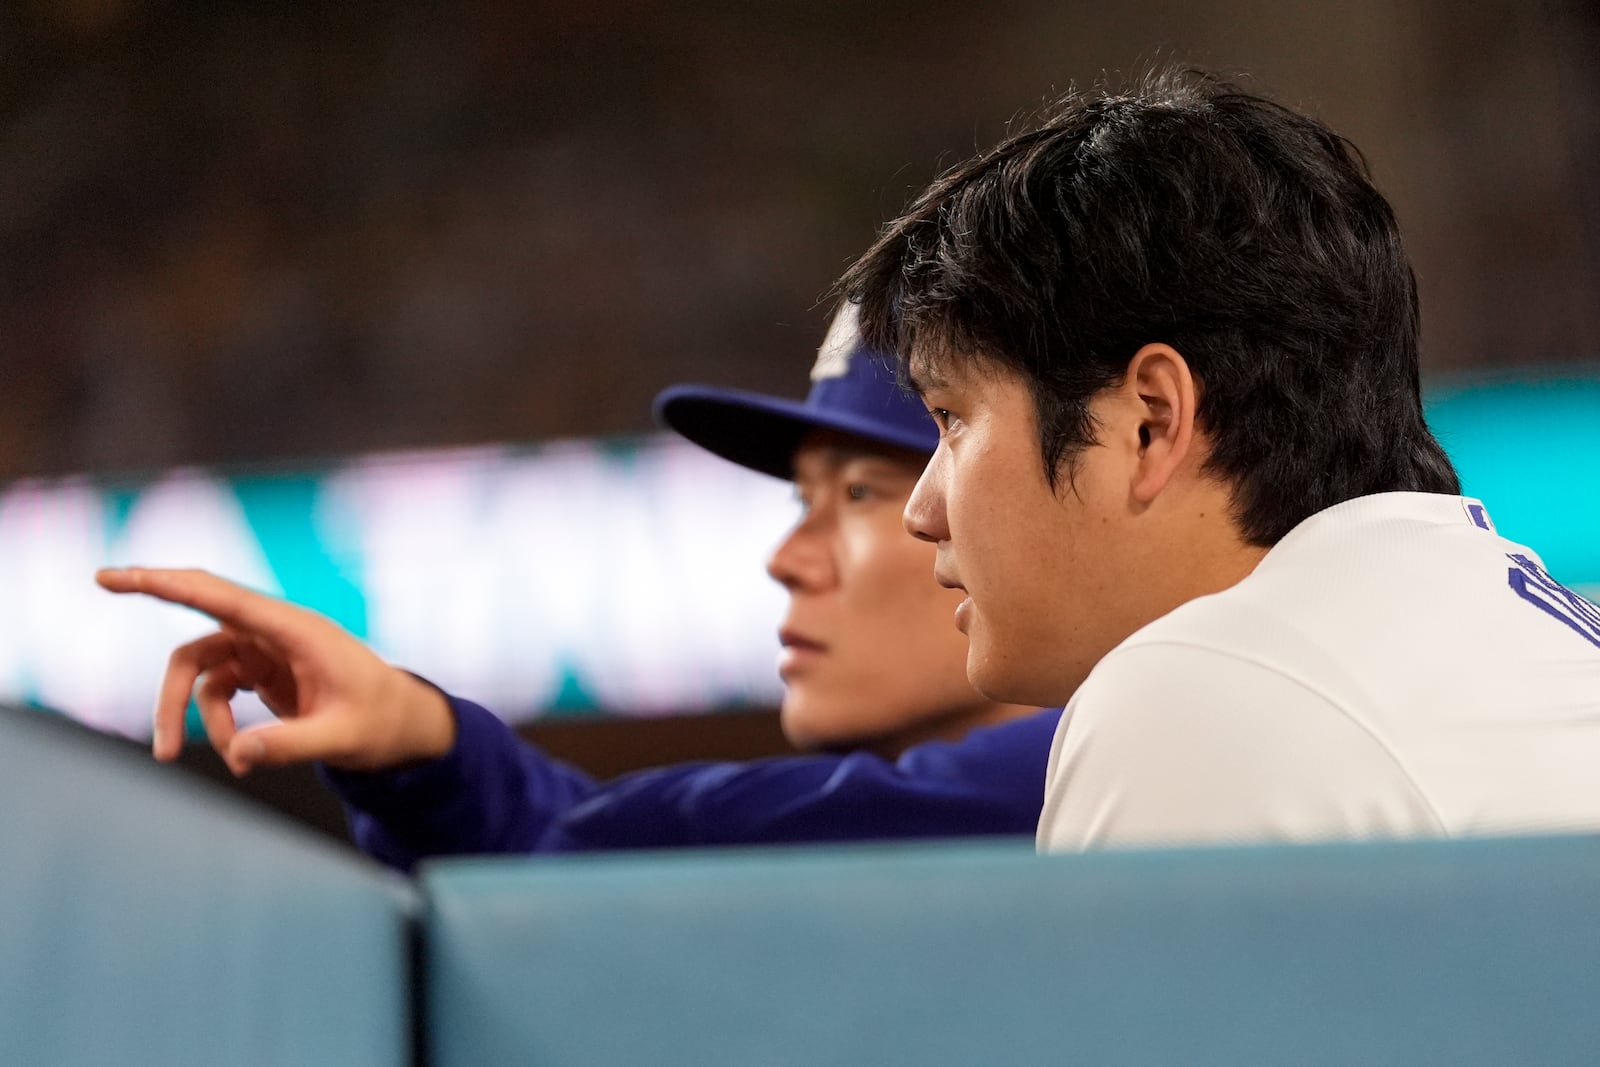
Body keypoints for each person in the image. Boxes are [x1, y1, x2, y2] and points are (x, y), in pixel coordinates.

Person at [837, 67, 1600, 851]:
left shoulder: (1200, 687)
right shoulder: (1526, 637)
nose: (921, 510)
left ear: (1150, 420)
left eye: (952, 417)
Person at [96, 306, 1054, 869]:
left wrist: (422, 740)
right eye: (800, 498)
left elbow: (587, 849)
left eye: (855, 491)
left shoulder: (1114, 757)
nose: (788, 556)